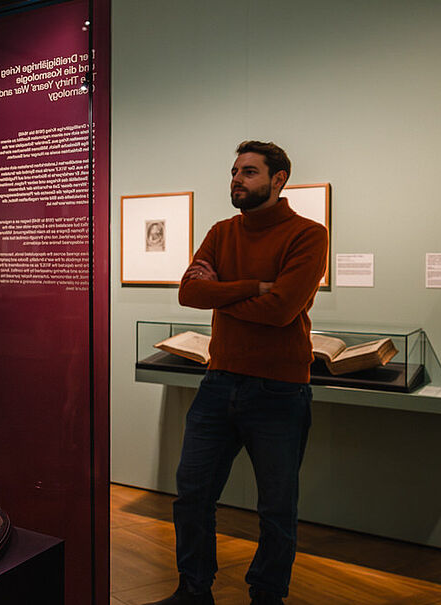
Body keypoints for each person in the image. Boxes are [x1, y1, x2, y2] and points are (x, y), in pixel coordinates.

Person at [146, 141, 328, 605]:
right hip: (219, 380)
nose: (236, 180)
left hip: (280, 389)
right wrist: (254, 287)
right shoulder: (221, 232)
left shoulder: (308, 235)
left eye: (248, 172)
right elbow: (189, 293)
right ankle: (193, 590)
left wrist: (223, 292)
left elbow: (281, 310)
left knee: (276, 507)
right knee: (192, 495)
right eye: (234, 172)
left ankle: (267, 595)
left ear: (278, 179)